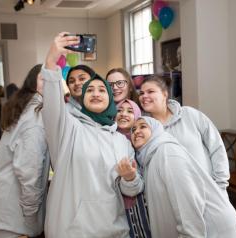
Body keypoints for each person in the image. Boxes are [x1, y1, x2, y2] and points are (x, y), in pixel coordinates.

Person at [42, 32, 143, 238]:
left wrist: (130, 178)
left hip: (115, 230)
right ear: (83, 99)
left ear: (110, 100)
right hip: (72, 230)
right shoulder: (68, 128)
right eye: (90, 91)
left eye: (102, 90)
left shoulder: (121, 141)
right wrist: (51, 62)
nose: (96, 93)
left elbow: (132, 190)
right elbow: (52, 106)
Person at [131, 116, 236, 238]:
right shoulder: (149, 159)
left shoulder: (168, 153)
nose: (136, 131)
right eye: (133, 130)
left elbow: (188, 209)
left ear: (156, 131)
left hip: (215, 230)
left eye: (143, 126)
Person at [0, 64, 50, 238]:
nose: (51, 83)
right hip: (10, 217)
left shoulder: (26, 107)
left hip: (0, 208)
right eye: (44, 79)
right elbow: (29, 173)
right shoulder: (35, 116)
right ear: (33, 84)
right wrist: (32, 219)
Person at [139, 76, 230, 195]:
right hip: (174, 200)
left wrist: (220, 186)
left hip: (210, 192)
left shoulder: (190, 115)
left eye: (150, 91)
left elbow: (217, 148)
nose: (144, 96)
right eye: (141, 93)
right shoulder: (145, 130)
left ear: (165, 94)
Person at [115, 99, 151, 238]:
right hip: (115, 204)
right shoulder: (107, 139)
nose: (124, 114)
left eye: (130, 111)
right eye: (119, 110)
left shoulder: (144, 139)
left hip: (144, 202)